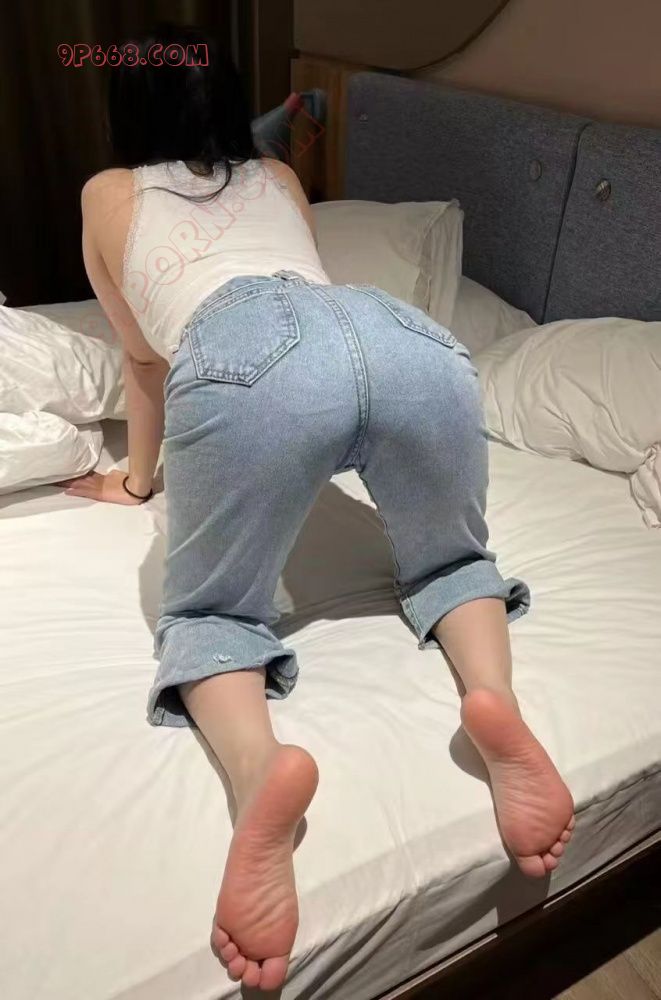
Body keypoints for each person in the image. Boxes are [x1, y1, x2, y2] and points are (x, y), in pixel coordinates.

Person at [60, 23, 575, 993]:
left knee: (211, 614)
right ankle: (494, 705)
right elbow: (307, 295)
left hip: (248, 356)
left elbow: (143, 361)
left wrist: (134, 483)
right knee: (453, 558)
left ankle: (261, 775)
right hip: (394, 337)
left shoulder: (107, 192)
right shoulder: (278, 176)